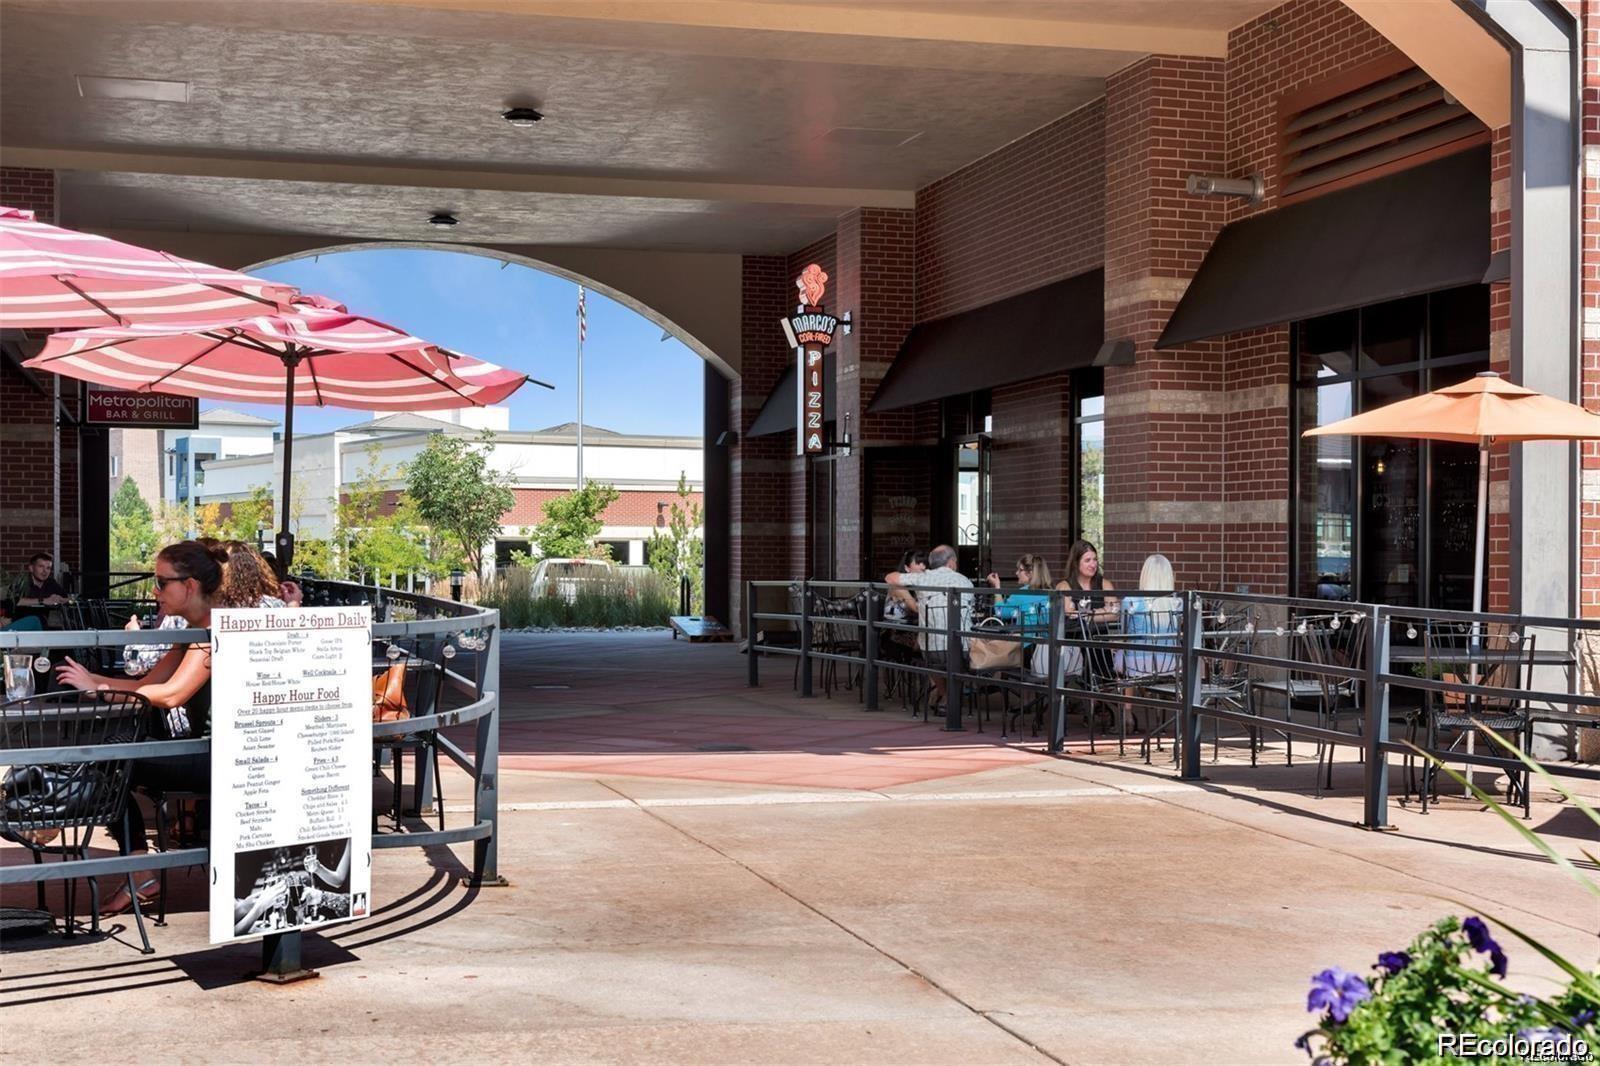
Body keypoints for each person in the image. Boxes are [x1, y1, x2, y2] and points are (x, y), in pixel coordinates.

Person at [55, 539, 225, 914]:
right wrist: (92, 680)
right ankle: (137, 867)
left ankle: (131, 861)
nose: (155, 590)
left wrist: (97, 691)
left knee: (112, 757)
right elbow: (144, 685)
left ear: (190, 586)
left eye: (162, 582)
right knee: (110, 754)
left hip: (220, 759)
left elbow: (171, 695)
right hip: (201, 752)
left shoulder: (213, 633)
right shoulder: (193, 631)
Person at [885, 544, 973, 710]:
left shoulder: (922, 578)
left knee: (929, 653)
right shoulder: (965, 581)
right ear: (952, 562)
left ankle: (946, 696)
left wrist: (911, 585)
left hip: (934, 650)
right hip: (963, 648)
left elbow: (890, 578)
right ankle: (954, 696)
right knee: (958, 662)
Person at [985, 553, 1054, 674]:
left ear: (1031, 573)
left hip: (1027, 651)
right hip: (1049, 650)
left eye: (1020, 570)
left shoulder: (1021, 594)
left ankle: (996, 685)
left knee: (999, 652)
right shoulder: (1052, 593)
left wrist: (997, 587)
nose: (1016, 573)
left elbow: (1000, 612)